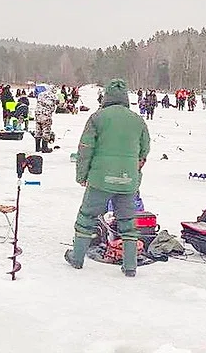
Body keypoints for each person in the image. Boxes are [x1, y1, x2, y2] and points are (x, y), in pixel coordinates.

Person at [65, 79, 150, 277]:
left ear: (106, 97)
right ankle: (130, 266)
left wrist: (82, 176)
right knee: (128, 223)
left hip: (100, 179)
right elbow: (145, 150)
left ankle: (77, 258)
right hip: (128, 180)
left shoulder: (97, 118)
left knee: (87, 217)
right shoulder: (138, 120)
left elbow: (85, 149)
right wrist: (134, 172)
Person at [34, 86, 58, 153]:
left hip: (37, 114)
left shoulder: (41, 94)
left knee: (38, 130)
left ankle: (37, 147)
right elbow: (53, 108)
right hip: (46, 115)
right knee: (46, 130)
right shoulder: (52, 96)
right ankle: (45, 147)